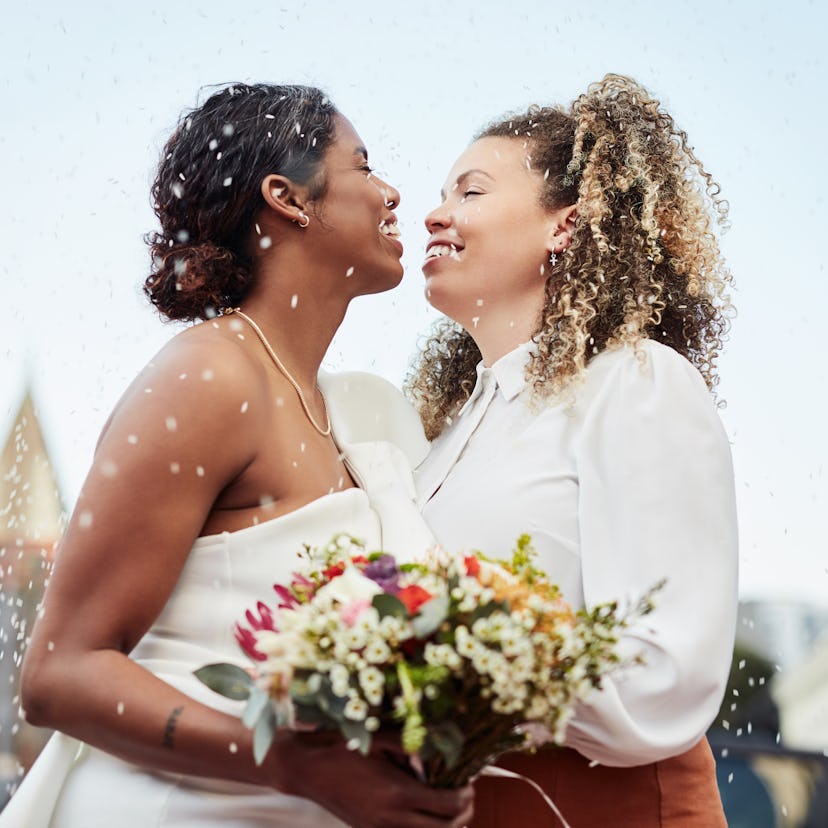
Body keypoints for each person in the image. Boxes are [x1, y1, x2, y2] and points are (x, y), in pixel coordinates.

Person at [8, 83, 472, 828]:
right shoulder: (208, 378)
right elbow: (59, 675)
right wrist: (293, 766)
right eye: (362, 166)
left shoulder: (348, 416)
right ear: (287, 198)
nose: (391, 194)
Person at [408, 74, 738, 826]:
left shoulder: (636, 382)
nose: (435, 213)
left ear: (565, 225)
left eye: (470, 191)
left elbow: (666, 670)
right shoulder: (443, 439)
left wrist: (458, 669)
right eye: (442, 193)